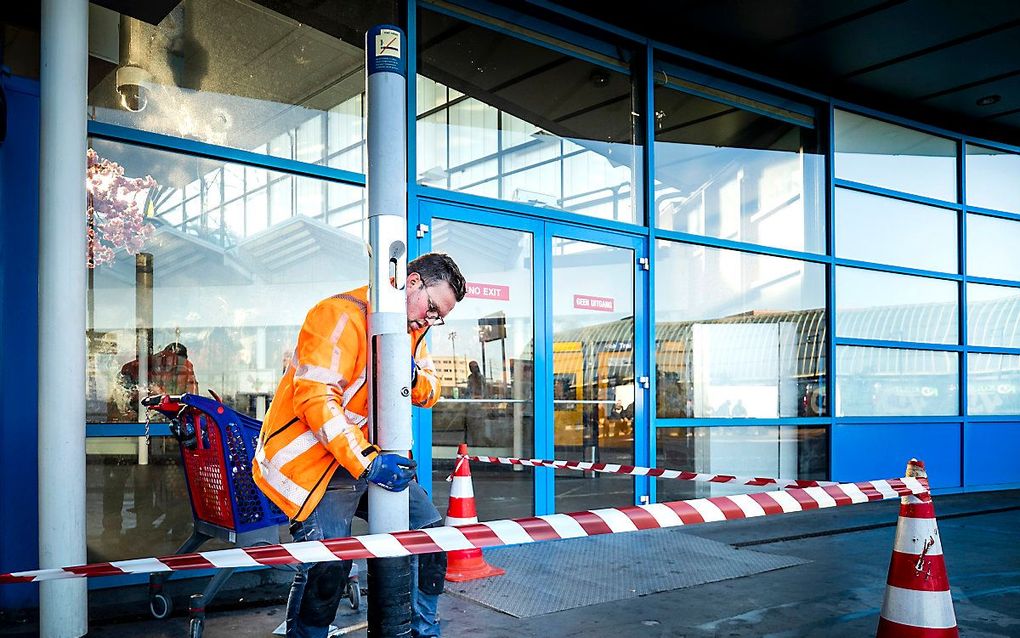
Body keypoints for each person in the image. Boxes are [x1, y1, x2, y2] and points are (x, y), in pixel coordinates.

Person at [253, 253, 466, 638]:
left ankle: (424, 629)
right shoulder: (338, 315)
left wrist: (412, 374)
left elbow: (431, 391)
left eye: (439, 317)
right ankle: (307, 633)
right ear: (411, 281)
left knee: (433, 538)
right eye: (432, 308)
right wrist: (367, 462)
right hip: (315, 465)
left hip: (364, 459)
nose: (430, 320)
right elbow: (316, 400)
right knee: (328, 563)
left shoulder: (412, 331)